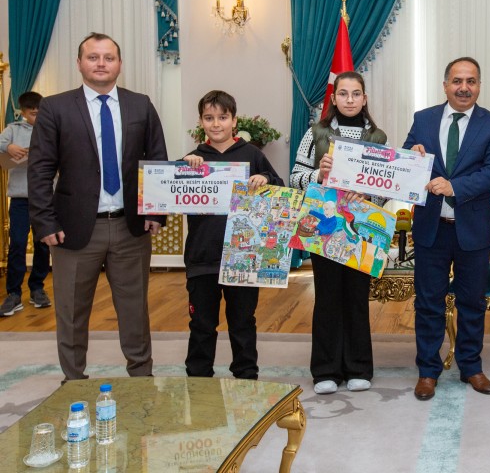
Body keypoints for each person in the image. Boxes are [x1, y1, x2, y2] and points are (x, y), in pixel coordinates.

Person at [28, 32, 168, 381]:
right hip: (73, 230)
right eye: (93, 57)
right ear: (79, 63)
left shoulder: (140, 105)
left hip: (130, 227)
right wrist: (44, 222)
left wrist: (155, 210)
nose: (101, 64)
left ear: (119, 64)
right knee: (72, 312)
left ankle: (141, 378)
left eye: (109, 57)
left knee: (134, 311)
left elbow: (157, 160)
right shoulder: (55, 107)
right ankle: (74, 380)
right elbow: (40, 169)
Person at [403, 57, 490, 400]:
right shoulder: (423, 119)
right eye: (458, 81)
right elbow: (405, 161)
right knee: (428, 302)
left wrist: (454, 187)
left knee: (472, 303)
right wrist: (412, 154)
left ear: (479, 86)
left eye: (471, 81)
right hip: (431, 228)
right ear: (445, 85)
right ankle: (427, 371)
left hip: (472, 230)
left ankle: (471, 367)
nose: (464, 88)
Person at [290, 72, 387, 395]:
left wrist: (369, 194)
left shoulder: (378, 138)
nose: (349, 99)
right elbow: (295, 178)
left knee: (357, 298)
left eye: (355, 94)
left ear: (364, 98)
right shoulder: (315, 133)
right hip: (324, 228)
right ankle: (325, 370)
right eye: (343, 93)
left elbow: (387, 187)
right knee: (328, 298)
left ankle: (359, 367)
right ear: (333, 98)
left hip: (361, 230)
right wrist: (319, 174)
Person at [183, 90, 282, 380]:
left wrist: (265, 178)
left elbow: (279, 187)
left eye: (223, 117)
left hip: (243, 259)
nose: (216, 124)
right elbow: (168, 191)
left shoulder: (253, 155)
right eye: (209, 118)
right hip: (202, 258)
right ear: (201, 121)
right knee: (201, 324)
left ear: (234, 121)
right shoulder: (193, 160)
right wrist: (182, 168)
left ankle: (246, 375)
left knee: (242, 322)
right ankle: (198, 377)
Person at [0, 92, 51, 316]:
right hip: (20, 199)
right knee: (18, 244)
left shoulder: (50, 129)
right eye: (33, 114)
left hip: (45, 199)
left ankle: (37, 288)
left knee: (43, 244)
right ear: (23, 112)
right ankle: (13, 293)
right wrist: (8, 147)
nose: (37, 117)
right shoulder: (12, 130)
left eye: (40, 113)